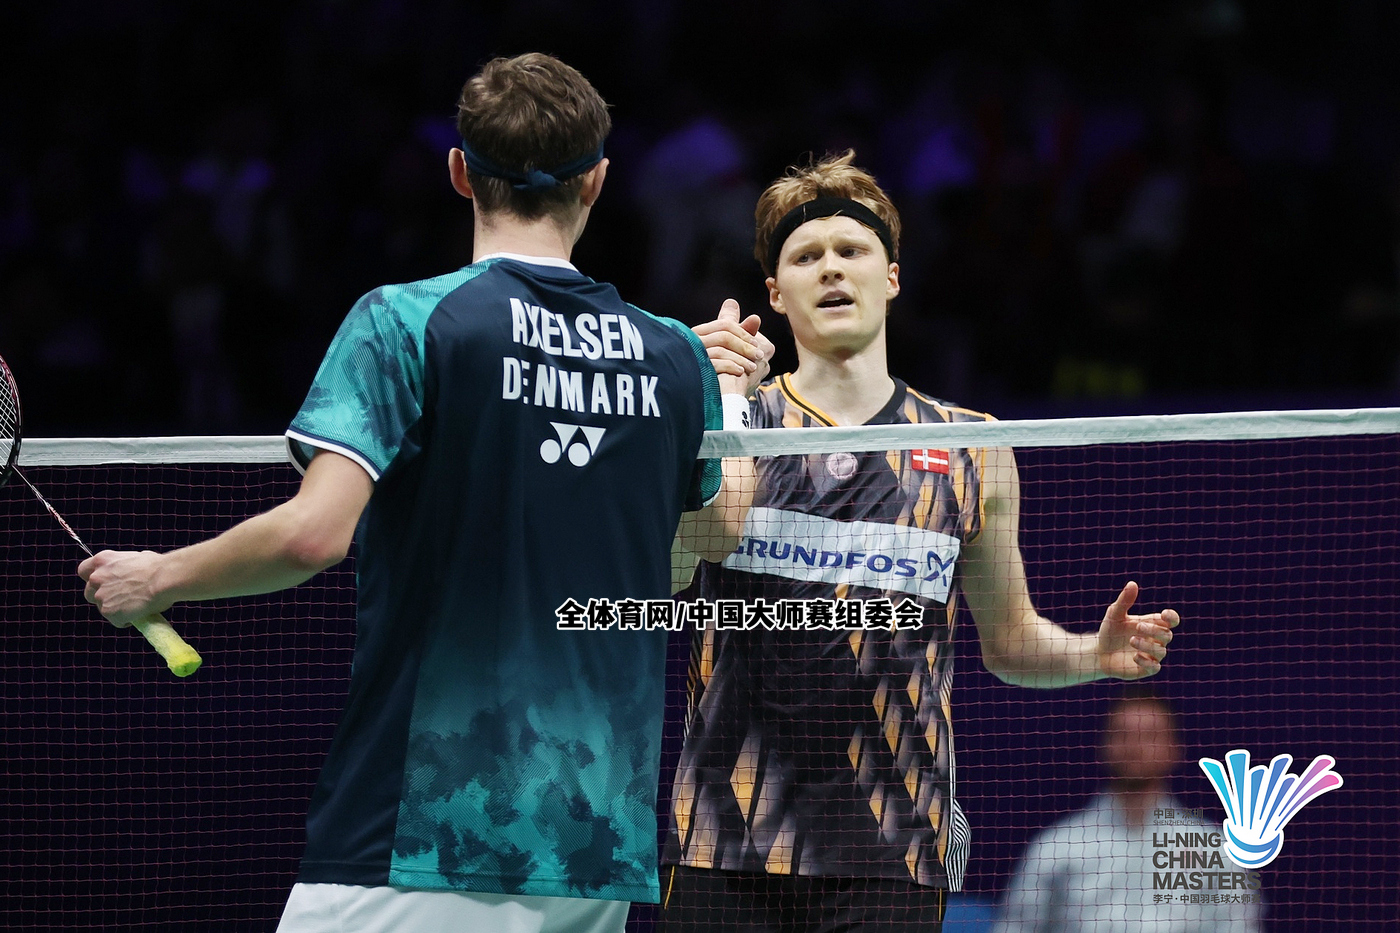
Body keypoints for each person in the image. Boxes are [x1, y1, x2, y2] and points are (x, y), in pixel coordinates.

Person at [78, 52, 756, 933]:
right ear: (597, 180)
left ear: (459, 171)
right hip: (594, 844)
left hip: (425, 829)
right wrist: (730, 389)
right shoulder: (673, 354)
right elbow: (709, 541)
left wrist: (158, 576)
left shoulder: (404, 322)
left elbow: (313, 534)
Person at [659, 151, 1180, 933]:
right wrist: (716, 407)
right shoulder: (735, 427)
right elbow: (669, 572)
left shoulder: (972, 447)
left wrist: (1093, 654)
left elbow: (1010, 641)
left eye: (851, 249)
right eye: (806, 256)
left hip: (893, 852)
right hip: (721, 846)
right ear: (775, 293)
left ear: (892, 277)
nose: (831, 268)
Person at [993, 690, 1263, 932]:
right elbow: (1016, 926)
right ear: (1104, 745)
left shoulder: (1212, 845)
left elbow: (1238, 926)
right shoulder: (1058, 845)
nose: (1135, 747)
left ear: (1175, 748)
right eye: (1123, 734)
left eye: (1150, 736)